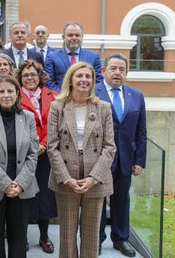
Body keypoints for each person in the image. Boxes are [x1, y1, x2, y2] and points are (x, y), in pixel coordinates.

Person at [47, 62, 116, 258]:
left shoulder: (103, 108)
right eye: (80, 76)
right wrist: (67, 178)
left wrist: (94, 178)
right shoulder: (57, 107)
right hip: (66, 178)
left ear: (93, 81)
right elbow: (52, 146)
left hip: (95, 178)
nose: (84, 80)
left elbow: (109, 147)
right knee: (67, 235)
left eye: (88, 76)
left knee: (91, 235)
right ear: (71, 80)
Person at [0, 75, 39, 258]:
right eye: (1, 91)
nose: (6, 95)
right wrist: (5, 184)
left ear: (18, 93)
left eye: (10, 91)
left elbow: (33, 154)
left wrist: (19, 184)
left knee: (19, 240)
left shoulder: (28, 118)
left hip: (22, 188)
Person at [96, 53, 147, 257]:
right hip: (98, 160)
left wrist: (139, 160)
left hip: (126, 159)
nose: (117, 73)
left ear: (127, 73)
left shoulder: (137, 96)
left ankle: (121, 239)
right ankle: (96, 239)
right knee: (97, 201)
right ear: (103, 71)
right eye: (113, 68)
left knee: (121, 201)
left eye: (122, 69)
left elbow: (141, 132)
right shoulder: (93, 92)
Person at [17, 60, 58, 253]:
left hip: (47, 155)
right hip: (24, 154)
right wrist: (34, 145)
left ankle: (44, 236)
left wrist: (44, 143)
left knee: (45, 196)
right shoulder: (15, 96)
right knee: (24, 196)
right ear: (20, 78)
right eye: (25, 75)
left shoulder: (54, 96)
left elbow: (58, 125)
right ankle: (21, 237)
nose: (30, 78)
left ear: (40, 76)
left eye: (33, 74)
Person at [45, 22, 103, 92]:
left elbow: (98, 82)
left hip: (86, 99)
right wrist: (65, 95)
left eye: (77, 35)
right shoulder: (52, 57)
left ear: (82, 37)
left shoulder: (93, 57)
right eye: (70, 35)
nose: (74, 38)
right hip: (61, 100)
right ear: (63, 37)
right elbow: (49, 82)